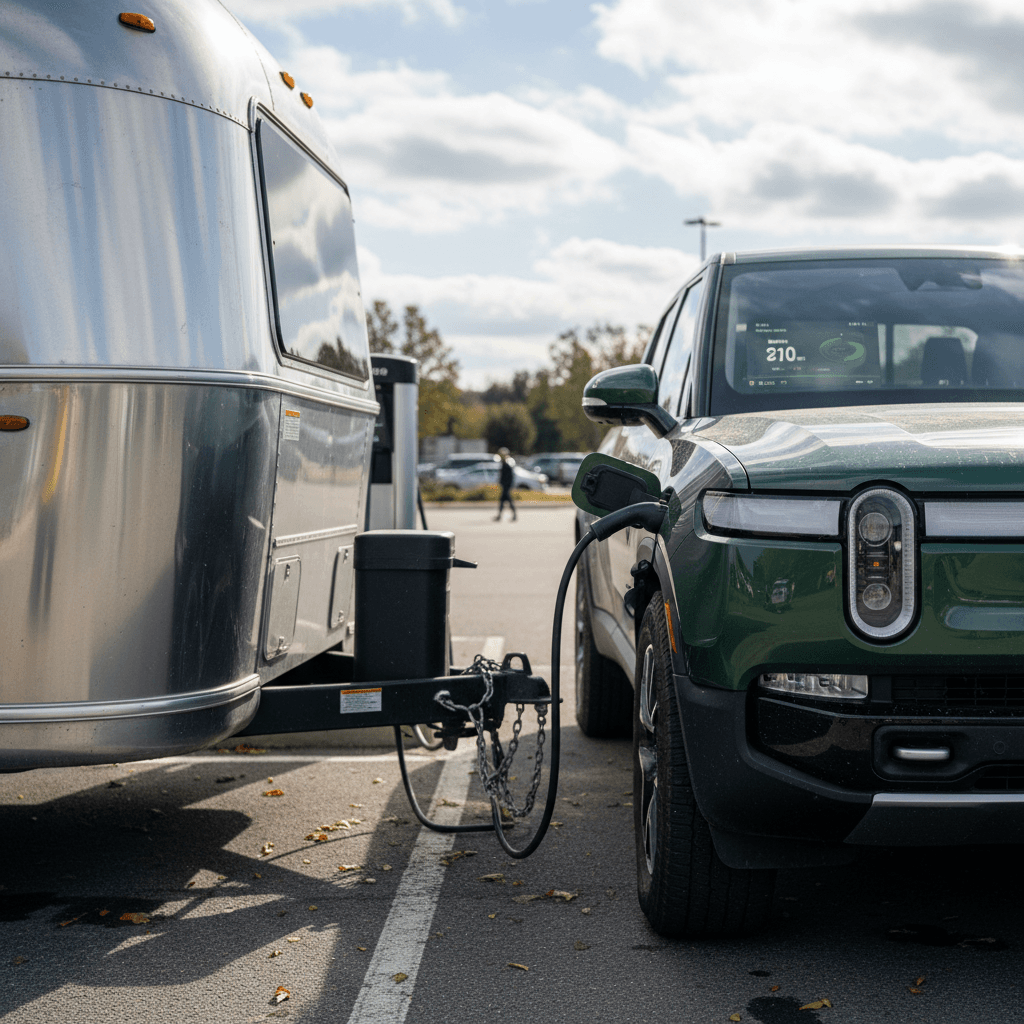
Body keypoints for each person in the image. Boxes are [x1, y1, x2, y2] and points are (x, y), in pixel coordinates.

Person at [494, 447, 517, 521]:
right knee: (503, 501)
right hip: (504, 486)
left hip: (506, 486)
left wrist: (506, 485)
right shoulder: (503, 464)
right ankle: (500, 516)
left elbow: (509, 477)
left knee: (507, 500)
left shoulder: (507, 465)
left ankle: (513, 515)